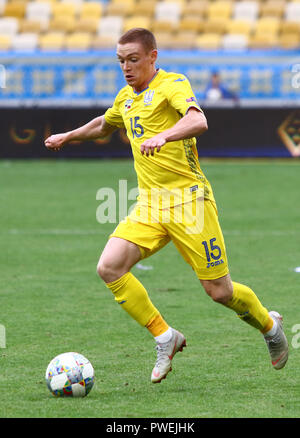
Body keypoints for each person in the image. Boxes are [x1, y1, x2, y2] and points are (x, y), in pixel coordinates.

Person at [45, 28, 288, 384]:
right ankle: (165, 336)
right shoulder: (126, 97)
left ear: (152, 57)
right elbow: (104, 124)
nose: (126, 67)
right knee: (109, 267)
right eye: (120, 61)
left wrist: (164, 135)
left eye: (133, 59)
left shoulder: (172, 84)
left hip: (190, 202)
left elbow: (198, 119)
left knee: (219, 291)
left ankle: (269, 326)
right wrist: (69, 135)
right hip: (150, 205)